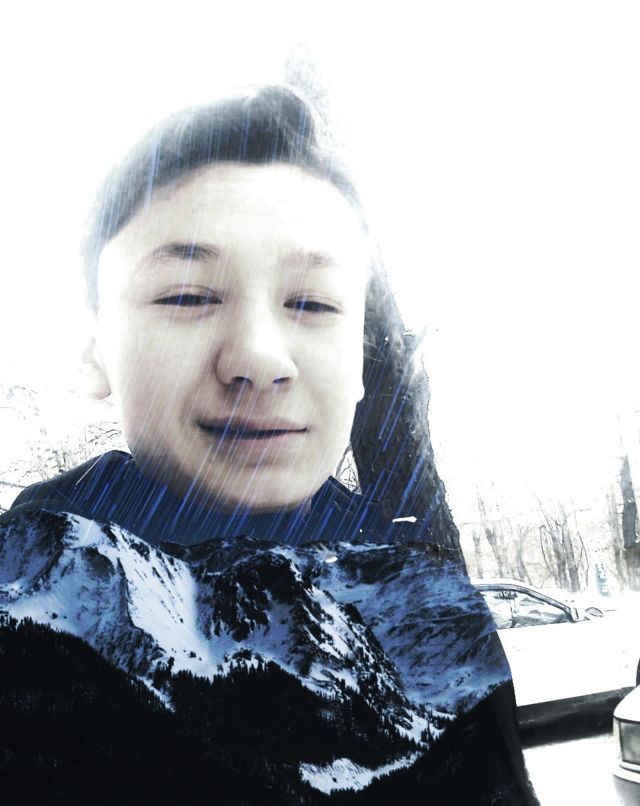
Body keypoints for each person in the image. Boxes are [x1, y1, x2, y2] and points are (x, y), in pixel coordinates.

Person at [2, 86, 538, 805]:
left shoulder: (429, 611)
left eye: (312, 303)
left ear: (359, 363)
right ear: (93, 348)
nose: (260, 356)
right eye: (188, 295)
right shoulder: (29, 602)